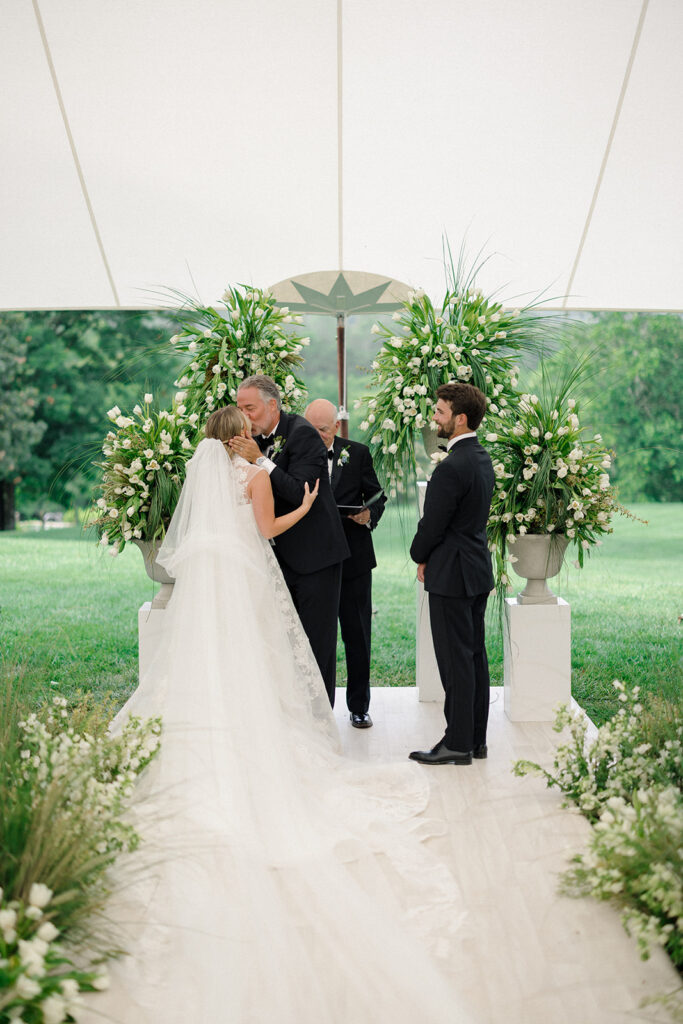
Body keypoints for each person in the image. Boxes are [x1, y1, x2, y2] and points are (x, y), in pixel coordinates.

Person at [81, 406, 475, 1024]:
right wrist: (307, 503)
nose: (252, 430)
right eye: (244, 425)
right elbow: (267, 529)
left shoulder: (203, 478)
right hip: (249, 586)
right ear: (238, 435)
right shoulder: (253, 473)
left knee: (206, 669)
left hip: (210, 597)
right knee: (254, 669)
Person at [231, 375, 349, 706]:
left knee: (315, 644)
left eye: (250, 408)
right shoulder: (249, 438)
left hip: (316, 558)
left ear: (272, 405)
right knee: (283, 644)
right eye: (240, 408)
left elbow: (300, 492)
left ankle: (321, 719)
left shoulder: (303, 434)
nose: (244, 416)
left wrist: (259, 459)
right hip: (276, 559)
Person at [409, 382, 495, 766]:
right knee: (474, 657)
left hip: (451, 575)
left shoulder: (451, 468)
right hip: (476, 570)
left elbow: (433, 525)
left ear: (460, 419)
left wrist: (419, 555)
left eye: (440, 412)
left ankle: (457, 743)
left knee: (455, 661)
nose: (435, 418)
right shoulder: (481, 458)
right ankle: (476, 740)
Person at [305, 398, 386, 729]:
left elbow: (377, 496)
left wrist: (368, 516)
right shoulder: (297, 452)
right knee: (316, 638)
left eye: (323, 430)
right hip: (314, 561)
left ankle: (359, 706)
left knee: (357, 635)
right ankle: (319, 707)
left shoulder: (358, 453)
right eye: (311, 429)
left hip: (354, 560)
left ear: (337, 426)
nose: (317, 435)